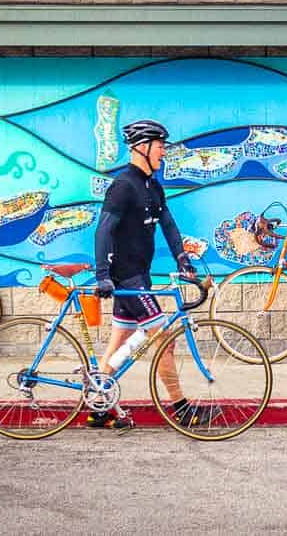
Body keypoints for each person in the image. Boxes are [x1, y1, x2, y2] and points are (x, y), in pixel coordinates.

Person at [90, 118, 214, 430]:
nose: (164, 152)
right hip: (125, 278)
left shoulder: (152, 186)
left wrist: (183, 260)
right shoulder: (123, 186)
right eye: (160, 146)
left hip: (139, 276)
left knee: (120, 340)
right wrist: (102, 274)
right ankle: (181, 408)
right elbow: (104, 230)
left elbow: (169, 225)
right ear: (142, 147)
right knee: (164, 340)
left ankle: (98, 405)